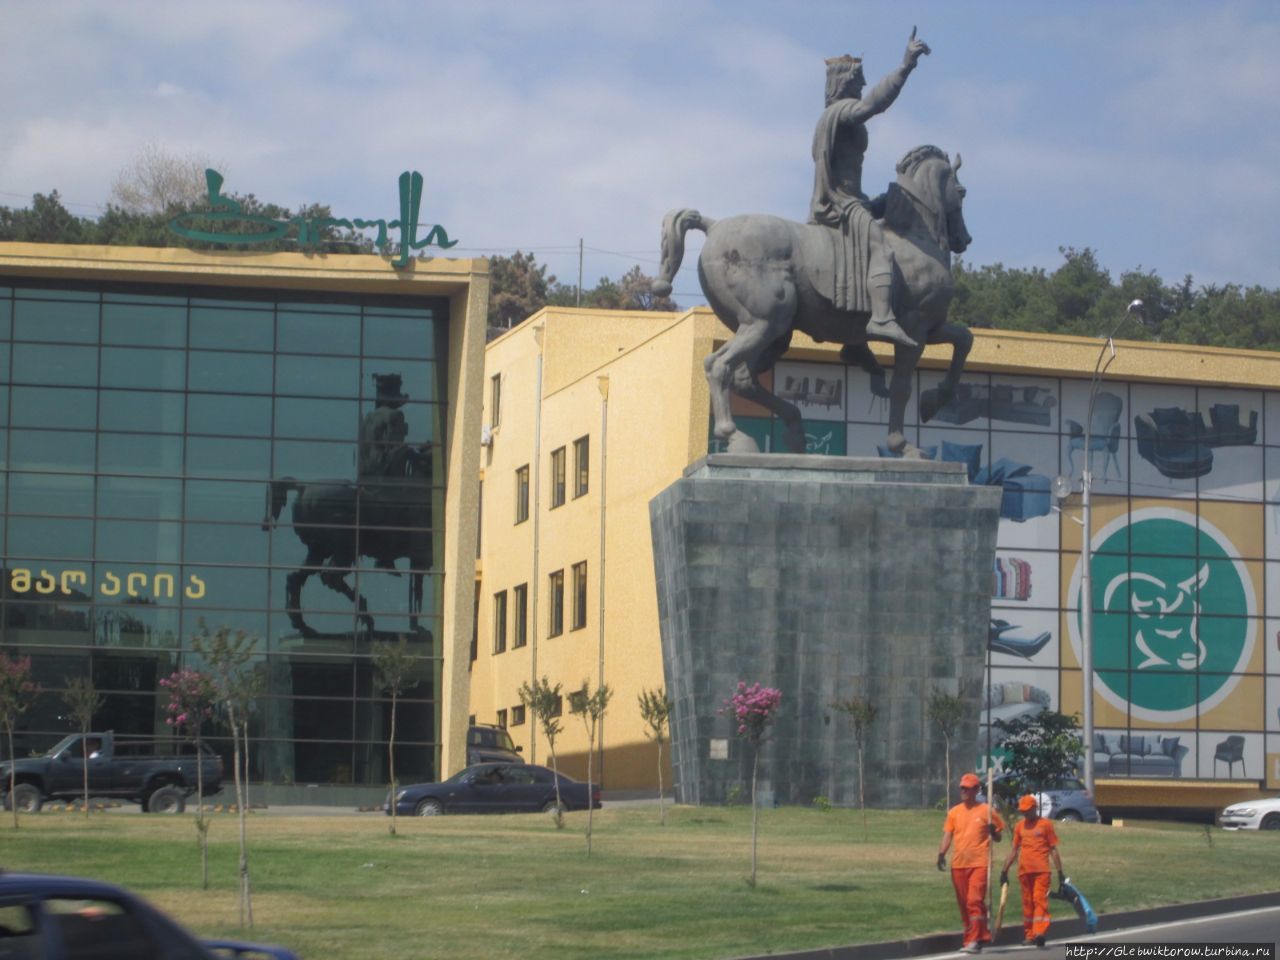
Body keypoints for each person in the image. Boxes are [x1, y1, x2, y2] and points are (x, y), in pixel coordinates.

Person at [808, 29, 931, 349]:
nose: (863, 85)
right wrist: (904, 68)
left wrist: (874, 203)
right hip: (841, 203)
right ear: (843, 82)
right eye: (858, 80)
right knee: (881, 249)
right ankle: (880, 317)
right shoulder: (841, 113)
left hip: (852, 199)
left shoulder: (834, 117)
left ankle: (855, 345)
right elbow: (873, 106)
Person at [937, 772, 1005, 953]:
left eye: (968, 788)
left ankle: (974, 940)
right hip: (958, 864)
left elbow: (999, 836)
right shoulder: (954, 812)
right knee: (964, 904)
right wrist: (941, 853)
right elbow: (948, 835)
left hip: (979, 863)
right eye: (962, 788)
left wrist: (993, 832)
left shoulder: (986, 811)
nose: (964, 791)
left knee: (974, 900)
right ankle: (977, 936)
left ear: (976, 790)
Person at [1000, 794, 1064, 948]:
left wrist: (1060, 873)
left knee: (1039, 900)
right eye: (1023, 811)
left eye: (1028, 810)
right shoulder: (1020, 827)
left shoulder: (1045, 825)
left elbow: (1053, 850)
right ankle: (1029, 935)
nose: (1025, 813)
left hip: (1042, 871)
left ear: (1035, 808)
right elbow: (1014, 850)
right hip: (1024, 872)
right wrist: (1004, 871)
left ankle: (1040, 933)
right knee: (1027, 904)